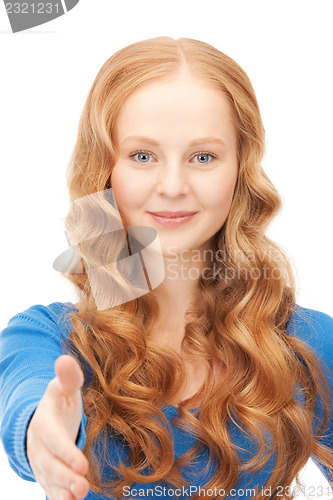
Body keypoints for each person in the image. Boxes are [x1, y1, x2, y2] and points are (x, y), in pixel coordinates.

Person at [0, 36, 332, 500]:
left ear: (241, 169)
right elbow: (29, 399)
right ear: (105, 169)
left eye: (203, 157)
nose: (173, 186)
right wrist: (44, 436)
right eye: (142, 156)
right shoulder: (46, 338)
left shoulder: (309, 343)